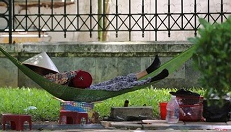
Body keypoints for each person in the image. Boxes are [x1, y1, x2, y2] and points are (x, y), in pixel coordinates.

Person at [22, 52, 168, 91]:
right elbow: (69, 74)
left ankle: (148, 71)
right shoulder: (49, 79)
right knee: (119, 85)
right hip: (84, 94)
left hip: (87, 90)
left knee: (117, 81)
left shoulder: (49, 77)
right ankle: (150, 79)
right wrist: (74, 72)